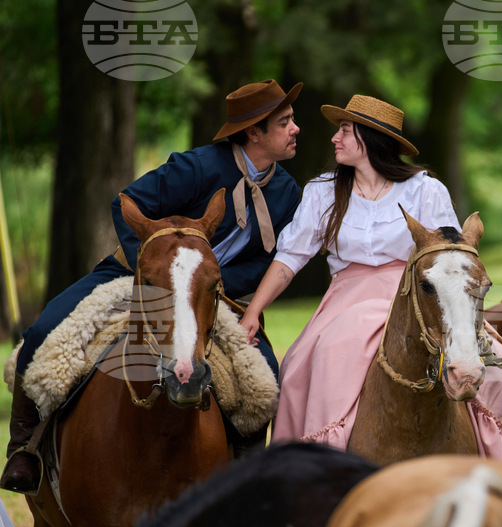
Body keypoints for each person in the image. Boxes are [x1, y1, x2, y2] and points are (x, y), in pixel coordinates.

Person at [1, 79, 304, 494]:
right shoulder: (197, 167)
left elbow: (270, 259)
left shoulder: (288, 192)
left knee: (264, 373)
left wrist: (208, 282)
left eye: (292, 120)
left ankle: (243, 481)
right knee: (41, 331)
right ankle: (23, 448)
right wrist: (153, 271)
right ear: (254, 132)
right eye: (285, 122)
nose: (296, 129)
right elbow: (126, 202)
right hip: (135, 272)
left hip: (210, 291)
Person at [240, 95, 502, 464]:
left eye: (345, 130)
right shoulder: (323, 190)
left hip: (419, 295)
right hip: (347, 299)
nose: (334, 138)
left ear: (370, 139)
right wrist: (253, 311)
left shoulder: (425, 189)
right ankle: (313, 466)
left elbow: (449, 258)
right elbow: (290, 258)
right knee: (301, 364)